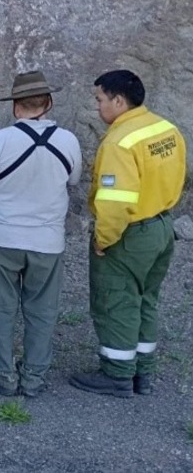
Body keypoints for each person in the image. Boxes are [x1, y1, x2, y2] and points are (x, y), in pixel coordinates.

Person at [70, 70, 186, 398]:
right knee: (145, 300)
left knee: (116, 301)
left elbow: (114, 202)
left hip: (130, 234)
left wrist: (103, 239)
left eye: (100, 99)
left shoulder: (119, 142)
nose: (97, 107)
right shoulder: (165, 129)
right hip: (163, 226)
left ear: (118, 101)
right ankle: (142, 373)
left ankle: (117, 374)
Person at [0, 70, 83, 397]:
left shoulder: (1, 139)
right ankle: (34, 377)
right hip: (48, 241)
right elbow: (73, 181)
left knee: (1, 306)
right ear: (48, 103)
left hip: (3, 237)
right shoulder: (69, 140)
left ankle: (1, 372)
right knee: (42, 309)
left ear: (16, 107)